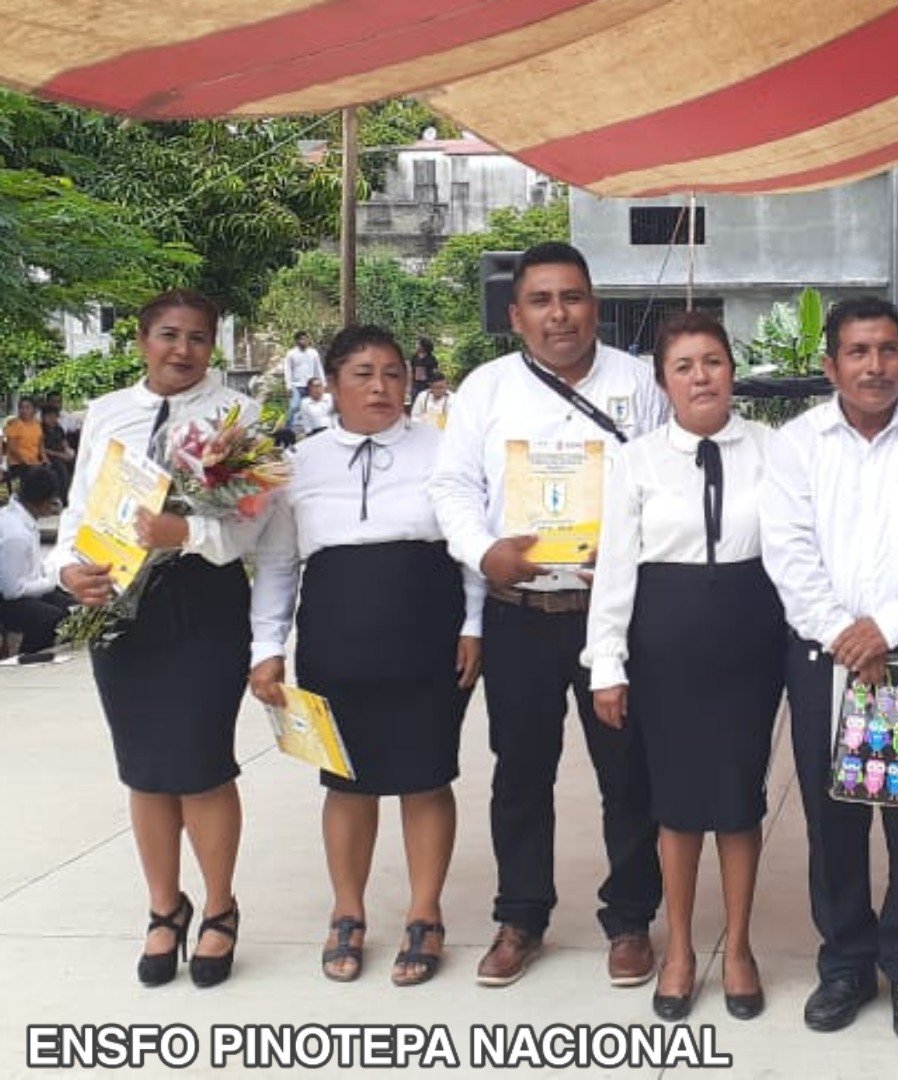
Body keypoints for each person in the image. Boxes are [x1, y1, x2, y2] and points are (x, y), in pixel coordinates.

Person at [431, 241, 667, 990]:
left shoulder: (640, 383)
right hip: (520, 612)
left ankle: (630, 920)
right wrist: (484, 552)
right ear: (516, 315)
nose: (558, 315)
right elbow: (451, 487)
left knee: (627, 772)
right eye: (541, 301)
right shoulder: (486, 389)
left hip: (613, 615)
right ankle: (521, 917)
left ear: (594, 305)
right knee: (521, 772)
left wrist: (631, 546)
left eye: (572, 297)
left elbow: (666, 479)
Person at [760, 297, 898, 1045]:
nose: (876, 366)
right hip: (827, 657)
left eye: (888, 350)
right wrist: (843, 633)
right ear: (830, 365)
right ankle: (847, 964)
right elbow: (788, 550)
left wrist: (888, 627)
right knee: (835, 822)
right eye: (858, 352)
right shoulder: (798, 444)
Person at [249, 325, 483, 988]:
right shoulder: (298, 464)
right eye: (362, 374)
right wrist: (267, 647)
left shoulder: (444, 450)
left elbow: (471, 543)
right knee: (346, 781)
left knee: (425, 775)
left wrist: (475, 624)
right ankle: (346, 912)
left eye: (392, 373)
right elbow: (277, 563)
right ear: (330, 383)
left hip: (429, 637)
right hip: (335, 642)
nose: (381, 387)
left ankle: (424, 913)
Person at [50, 289, 264, 988]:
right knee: (143, 765)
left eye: (198, 337)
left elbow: (248, 530)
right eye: (169, 334)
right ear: (142, 340)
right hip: (118, 605)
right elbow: (80, 511)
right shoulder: (109, 412)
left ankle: (221, 907)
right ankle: (164, 908)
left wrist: (186, 532)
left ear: (213, 346)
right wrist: (68, 569)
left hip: (201, 602)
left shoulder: (237, 416)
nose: (183, 349)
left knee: (201, 762)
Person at [583, 311, 784, 1021]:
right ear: (663, 382)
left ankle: (738, 948)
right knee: (675, 806)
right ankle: (678, 949)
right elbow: (616, 567)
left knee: (737, 799)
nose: (702, 377)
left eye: (713, 362)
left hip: (750, 642)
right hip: (664, 645)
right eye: (684, 367)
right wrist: (606, 663)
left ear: (733, 369)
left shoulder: (772, 449)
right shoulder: (636, 460)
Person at [0, 467, 69, 653]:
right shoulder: (16, 533)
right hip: (7, 599)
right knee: (49, 618)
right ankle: (27, 659)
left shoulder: (21, 517)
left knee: (73, 609)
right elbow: (12, 591)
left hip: (26, 589)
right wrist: (51, 582)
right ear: (45, 502)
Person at [4, 396, 45, 484]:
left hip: (34, 462)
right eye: (21, 407)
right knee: (37, 476)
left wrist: (45, 460)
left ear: (34, 410)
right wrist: (27, 461)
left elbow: (41, 446)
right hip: (18, 464)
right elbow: (12, 448)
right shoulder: (14, 424)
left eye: (27, 407)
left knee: (53, 471)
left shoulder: (37, 424)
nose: (24, 410)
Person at [282, 332, 323, 420]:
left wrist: (322, 383)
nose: (304, 341)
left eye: (306, 339)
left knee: (310, 409)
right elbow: (288, 370)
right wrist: (288, 386)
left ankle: (309, 427)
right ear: (296, 341)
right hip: (296, 385)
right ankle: (288, 427)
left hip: (310, 385)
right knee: (294, 406)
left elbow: (318, 369)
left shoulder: (313, 353)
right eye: (301, 339)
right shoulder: (291, 354)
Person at [40, 403, 76, 498]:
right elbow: (41, 449)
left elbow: (64, 443)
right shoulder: (40, 430)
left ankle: (73, 493)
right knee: (60, 468)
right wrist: (60, 455)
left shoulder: (58, 429)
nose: (52, 419)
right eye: (49, 417)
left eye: (55, 416)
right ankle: (61, 497)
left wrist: (68, 451)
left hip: (61, 455)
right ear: (43, 417)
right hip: (47, 456)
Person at [410, 337, 441, 405]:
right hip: (416, 385)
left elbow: (435, 372)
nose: (416, 345)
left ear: (423, 346)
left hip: (426, 385)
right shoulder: (414, 357)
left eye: (418, 344)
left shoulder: (431, 359)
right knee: (414, 402)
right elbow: (412, 371)